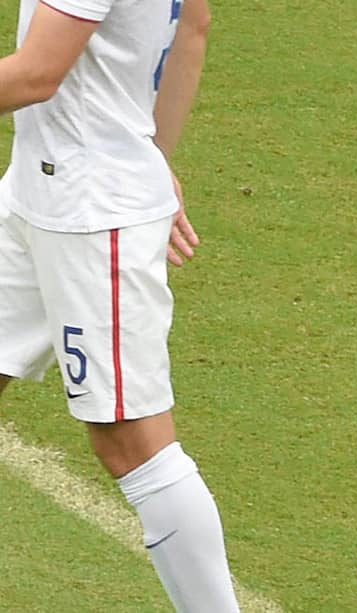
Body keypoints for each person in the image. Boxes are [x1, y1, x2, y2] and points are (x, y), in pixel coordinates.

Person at [0, 0, 240, 610]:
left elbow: (35, 74)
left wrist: (142, 161)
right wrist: (151, 153)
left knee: (130, 440)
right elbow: (194, 22)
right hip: (35, 187)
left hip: (87, 210)